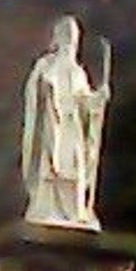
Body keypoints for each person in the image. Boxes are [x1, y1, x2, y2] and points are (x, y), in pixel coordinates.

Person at [20, 15, 111, 231]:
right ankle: (46, 208)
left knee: (75, 168)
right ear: (58, 38)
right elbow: (34, 92)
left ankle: (74, 211)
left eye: (74, 38)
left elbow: (85, 102)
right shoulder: (45, 64)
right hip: (53, 124)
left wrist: (99, 97)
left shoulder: (78, 73)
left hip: (71, 126)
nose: (71, 42)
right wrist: (46, 89)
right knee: (52, 167)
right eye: (67, 36)